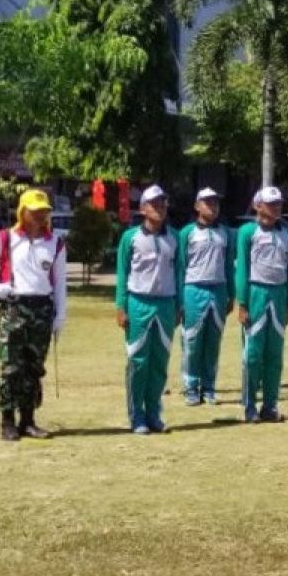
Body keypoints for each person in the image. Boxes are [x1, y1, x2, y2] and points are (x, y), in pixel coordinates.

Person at [0, 189, 66, 440]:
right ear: (23, 212)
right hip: (13, 307)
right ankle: (7, 421)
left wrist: (60, 315)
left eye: (43, 211)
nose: (39, 216)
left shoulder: (55, 242)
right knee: (11, 367)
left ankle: (29, 420)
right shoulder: (6, 238)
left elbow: (60, 283)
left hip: (42, 308)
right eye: (34, 211)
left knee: (34, 368)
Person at [115, 185, 183, 434]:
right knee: (138, 361)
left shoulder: (174, 237)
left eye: (163, 204)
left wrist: (179, 305)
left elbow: (179, 273)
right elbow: (123, 273)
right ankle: (137, 415)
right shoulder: (130, 237)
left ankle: (154, 413)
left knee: (159, 361)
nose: (160, 208)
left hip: (165, 304)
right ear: (143, 208)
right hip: (138, 303)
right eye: (155, 204)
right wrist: (121, 306)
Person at [236, 187, 288, 423]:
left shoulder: (287, 234)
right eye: (271, 203)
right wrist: (242, 302)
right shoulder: (248, 232)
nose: (276, 207)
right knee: (253, 353)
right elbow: (242, 269)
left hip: (278, 294)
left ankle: (270, 405)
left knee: (274, 355)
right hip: (256, 291)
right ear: (258, 206)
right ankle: (249, 406)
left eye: (279, 203)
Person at [178, 188, 235, 406]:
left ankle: (209, 387)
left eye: (215, 203)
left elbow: (229, 265)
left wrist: (231, 294)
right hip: (193, 289)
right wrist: (181, 298)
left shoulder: (225, 233)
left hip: (218, 290)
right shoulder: (187, 233)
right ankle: (191, 387)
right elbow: (181, 267)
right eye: (207, 202)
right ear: (197, 206)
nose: (212, 206)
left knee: (213, 341)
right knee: (192, 340)